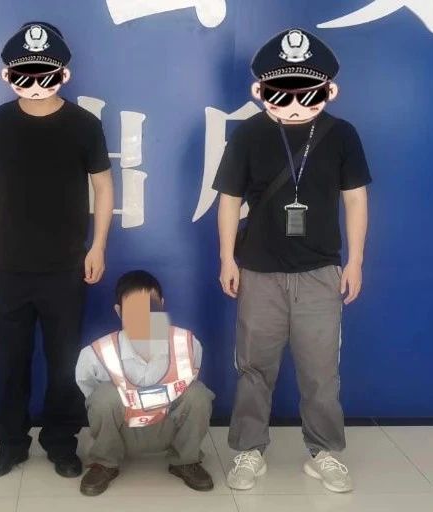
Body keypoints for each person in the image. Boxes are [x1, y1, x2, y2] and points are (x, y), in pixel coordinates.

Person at [213, 28, 372, 493]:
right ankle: (248, 450)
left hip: (321, 271)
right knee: (254, 368)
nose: (297, 102)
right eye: (283, 92)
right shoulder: (248, 134)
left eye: (308, 91)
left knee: (321, 371)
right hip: (258, 270)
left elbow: (356, 199)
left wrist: (356, 261)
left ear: (328, 90)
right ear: (261, 90)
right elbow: (229, 200)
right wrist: (227, 259)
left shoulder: (342, 135)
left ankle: (325, 453)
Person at [0, 21, 115, 479]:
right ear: (9, 75)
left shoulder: (83, 124)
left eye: (44, 72)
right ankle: (9, 444)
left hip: (65, 266)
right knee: (9, 361)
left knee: (63, 364)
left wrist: (98, 246)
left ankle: (60, 443)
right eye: (24, 73)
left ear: (62, 74)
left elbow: (104, 187)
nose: (35, 82)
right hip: (8, 264)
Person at [75, 271, 215, 496]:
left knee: (197, 394)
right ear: (119, 311)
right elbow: (90, 392)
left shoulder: (187, 343)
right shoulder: (96, 353)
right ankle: (105, 462)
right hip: (121, 433)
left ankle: (185, 461)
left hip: (168, 429)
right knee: (102, 397)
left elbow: (188, 385)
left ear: (162, 305)